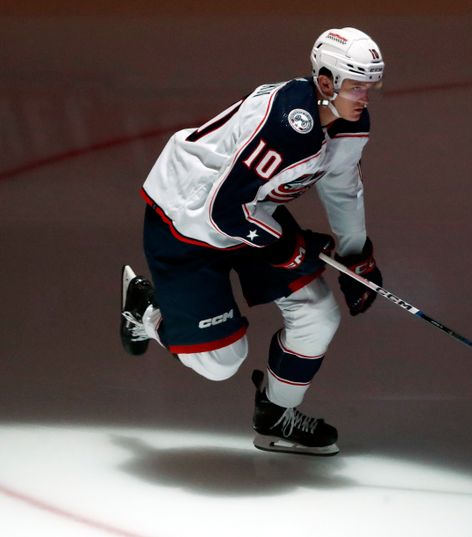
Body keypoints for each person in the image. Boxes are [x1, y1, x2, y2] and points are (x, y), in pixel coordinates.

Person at [119, 27, 385, 456]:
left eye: (370, 87)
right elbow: (220, 211)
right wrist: (288, 249)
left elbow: (342, 188)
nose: (365, 98)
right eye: (356, 87)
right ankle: (146, 310)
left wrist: (356, 255)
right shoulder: (287, 127)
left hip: (249, 211)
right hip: (186, 221)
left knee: (318, 314)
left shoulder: (350, 123)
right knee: (220, 363)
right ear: (324, 83)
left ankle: (277, 416)